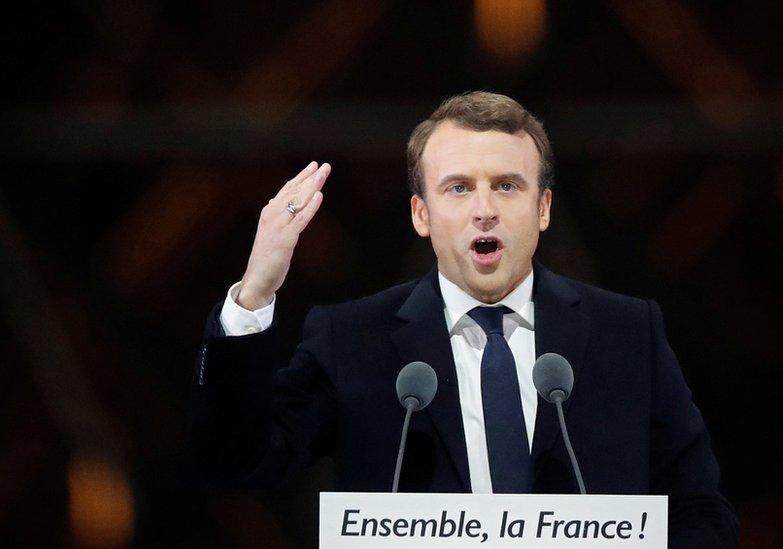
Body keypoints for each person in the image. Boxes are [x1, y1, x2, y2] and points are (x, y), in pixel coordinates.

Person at [192, 91, 738, 546]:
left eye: (506, 185)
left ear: (543, 208)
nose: (485, 208)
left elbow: (699, 511)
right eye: (459, 188)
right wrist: (254, 294)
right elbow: (241, 461)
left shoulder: (627, 334)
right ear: (421, 214)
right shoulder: (352, 339)